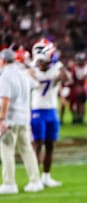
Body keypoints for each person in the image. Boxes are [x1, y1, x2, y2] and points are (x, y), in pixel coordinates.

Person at [0, 49, 44, 194]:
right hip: (24, 118)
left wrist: (1, 119)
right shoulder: (23, 74)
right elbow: (36, 84)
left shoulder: (5, 76)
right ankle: (35, 181)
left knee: (7, 151)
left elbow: (5, 99)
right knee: (27, 150)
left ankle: (9, 183)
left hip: (11, 119)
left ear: (3, 60)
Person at [30, 38, 69, 187]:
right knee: (37, 146)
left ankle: (46, 177)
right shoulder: (32, 68)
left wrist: (59, 65)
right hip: (37, 110)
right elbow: (31, 74)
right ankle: (35, 178)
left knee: (50, 145)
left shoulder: (55, 67)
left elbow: (67, 79)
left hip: (52, 110)